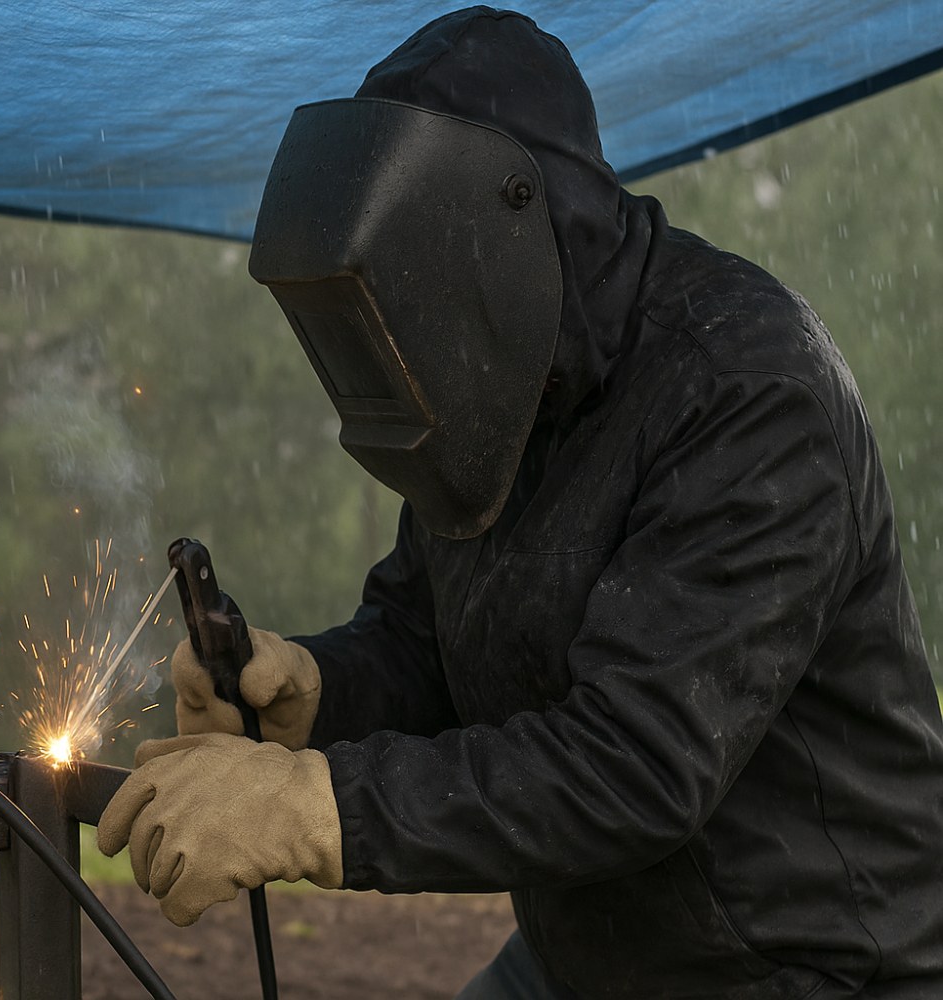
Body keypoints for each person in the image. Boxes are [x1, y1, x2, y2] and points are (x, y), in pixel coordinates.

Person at [97, 7, 943, 998]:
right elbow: (428, 644)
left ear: (505, 224)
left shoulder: (747, 390)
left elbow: (636, 764)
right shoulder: (496, 395)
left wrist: (314, 807)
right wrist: (318, 691)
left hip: (812, 964)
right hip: (596, 951)